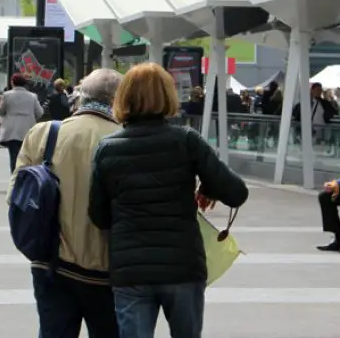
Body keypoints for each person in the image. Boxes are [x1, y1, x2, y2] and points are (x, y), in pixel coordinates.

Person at [89, 63, 249, 338]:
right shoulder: (186, 141)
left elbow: (99, 215)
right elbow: (236, 192)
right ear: (168, 96)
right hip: (182, 266)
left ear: (123, 97)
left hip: (131, 268)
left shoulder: (107, 149)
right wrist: (208, 186)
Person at [11, 69, 123, 338]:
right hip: (107, 271)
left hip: (50, 263)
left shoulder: (43, 133)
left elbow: (16, 197)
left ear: (80, 96)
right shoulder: (127, 140)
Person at [0, 74, 43, 172]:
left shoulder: (6, 95)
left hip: (11, 130)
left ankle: (15, 176)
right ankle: (25, 176)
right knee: (27, 156)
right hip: (28, 128)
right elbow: (40, 112)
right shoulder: (32, 96)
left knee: (14, 156)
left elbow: (1, 112)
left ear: (12, 82)